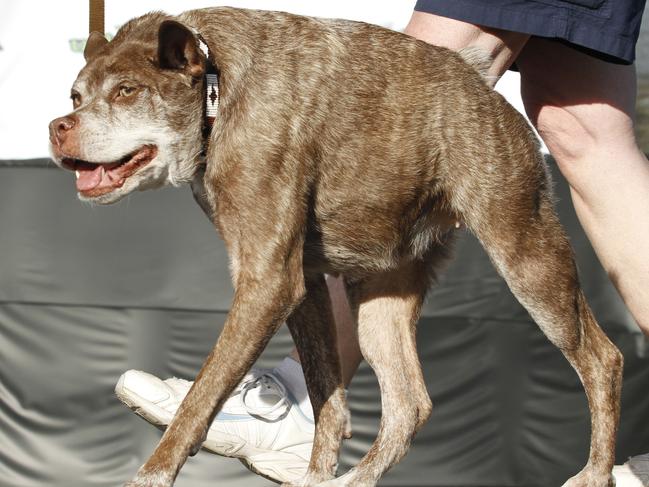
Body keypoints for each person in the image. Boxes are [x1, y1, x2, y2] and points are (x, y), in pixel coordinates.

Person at [115, 1, 649, 485]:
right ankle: (315, 406)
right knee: (584, 129)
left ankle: (301, 401)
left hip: (458, 156)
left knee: (435, 69)